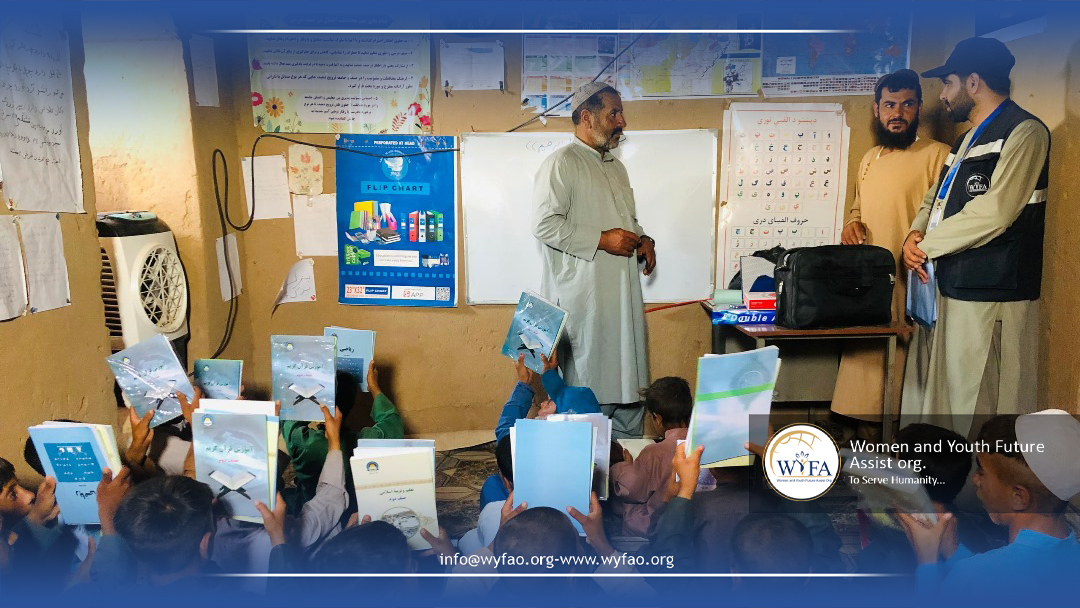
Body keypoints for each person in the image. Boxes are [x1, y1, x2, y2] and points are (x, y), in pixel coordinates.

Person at [901, 37, 1049, 435]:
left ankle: (980, 476)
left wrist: (927, 246)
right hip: (952, 282)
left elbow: (996, 212)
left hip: (993, 289)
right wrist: (915, 233)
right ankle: (942, 473)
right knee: (947, 399)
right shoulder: (966, 139)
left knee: (981, 403)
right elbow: (936, 197)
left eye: (948, 84)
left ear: (973, 82)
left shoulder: (1026, 133)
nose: (943, 95)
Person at [533, 81, 655, 439]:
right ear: (587, 117)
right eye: (614, 113)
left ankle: (626, 466)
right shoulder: (562, 164)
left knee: (630, 386)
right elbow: (544, 225)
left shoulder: (616, 167)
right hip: (586, 304)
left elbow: (625, 221)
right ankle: (591, 471)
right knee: (588, 396)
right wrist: (602, 239)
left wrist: (643, 238)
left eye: (621, 113)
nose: (622, 121)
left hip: (622, 300)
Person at [833, 69, 950, 430]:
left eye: (907, 104)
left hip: (912, 279)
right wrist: (852, 224)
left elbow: (944, 216)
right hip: (869, 283)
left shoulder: (938, 155)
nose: (897, 113)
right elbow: (857, 210)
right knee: (865, 369)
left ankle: (899, 449)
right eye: (889, 105)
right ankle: (866, 447)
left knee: (904, 373)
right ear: (876, 109)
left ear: (919, 108)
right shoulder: (870, 158)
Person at [898, 411, 1080, 599]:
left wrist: (927, 562)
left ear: (1018, 497)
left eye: (982, 471)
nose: (975, 480)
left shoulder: (973, 577)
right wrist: (954, 552)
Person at [610, 376, 692, 537]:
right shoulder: (703, 445)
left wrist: (625, 466)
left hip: (659, 524)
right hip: (693, 519)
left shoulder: (655, 452)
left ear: (658, 419)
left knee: (624, 505)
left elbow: (631, 489)